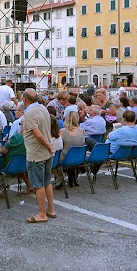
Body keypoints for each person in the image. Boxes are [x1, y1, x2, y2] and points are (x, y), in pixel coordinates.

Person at [21, 88, 56, 224]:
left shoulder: (29, 113)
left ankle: (42, 213)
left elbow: (37, 134)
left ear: (24, 99)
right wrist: (49, 146)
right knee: (47, 182)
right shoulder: (43, 108)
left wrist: (47, 145)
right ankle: (51, 209)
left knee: (38, 184)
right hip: (47, 152)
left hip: (36, 152)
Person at [60, 111, 86, 188]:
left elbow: (59, 145)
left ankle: (59, 179)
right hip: (79, 158)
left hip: (66, 158)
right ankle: (74, 176)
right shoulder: (82, 130)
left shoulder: (62, 131)